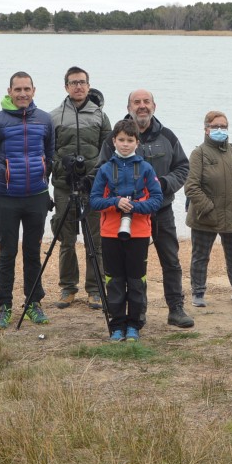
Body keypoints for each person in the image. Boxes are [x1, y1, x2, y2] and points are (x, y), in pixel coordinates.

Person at [100, 89, 194, 328]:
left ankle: (176, 309)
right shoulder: (116, 136)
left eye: (146, 102)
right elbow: (101, 170)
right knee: (132, 268)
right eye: (136, 102)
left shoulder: (168, 136)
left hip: (161, 211)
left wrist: (163, 184)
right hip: (126, 216)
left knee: (170, 260)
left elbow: (183, 168)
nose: (142, 106)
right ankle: (136, 314)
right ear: (129, 106)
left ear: (154, 105)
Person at [0, 72, 55, 329]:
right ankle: (3, 306)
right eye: (18, 89)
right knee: (7, 252)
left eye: (27, 89)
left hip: (37, 196)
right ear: (9, 91)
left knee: (33, 252)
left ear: (34, 90)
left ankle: (34, 303)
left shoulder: (45, 119)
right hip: (7, 198)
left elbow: (51, 154)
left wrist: (45, 176)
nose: (22, 94)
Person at [89, 119, 164, 341]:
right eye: (121, 140)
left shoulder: (147, 169)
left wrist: (134, 207)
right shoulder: (104, 169)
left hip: (139, 233)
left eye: (129, 140)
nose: (125, 144)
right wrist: (115, 202)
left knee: (136, 280)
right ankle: (117, 324)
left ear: (137, 143)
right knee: (114, 279)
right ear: (113, 141)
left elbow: (157, 199)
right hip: (111, 232)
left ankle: (134, 325)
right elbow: (94, 201)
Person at [50, 66, 111, 310]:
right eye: (73, 82)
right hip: (64, 186)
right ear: (66, 86)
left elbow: (108, 151)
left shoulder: (99, 115)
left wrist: (94, 173)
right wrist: (59, 163)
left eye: (82, 82)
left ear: (88, 85)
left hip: (93, 187)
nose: (78, 86)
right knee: (66, 239)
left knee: (94, 240)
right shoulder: (54, 116)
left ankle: (95, 288)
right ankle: (68, 287)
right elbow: (48, 150)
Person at [184, 110, 232, 307]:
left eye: (223, 126)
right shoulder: (198, 153)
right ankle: (198, 293)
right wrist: (208, 207)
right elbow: (191, 186)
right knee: (200, 257)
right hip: (204, 217)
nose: (220, 130)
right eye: (215, 126)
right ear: (206, 129)